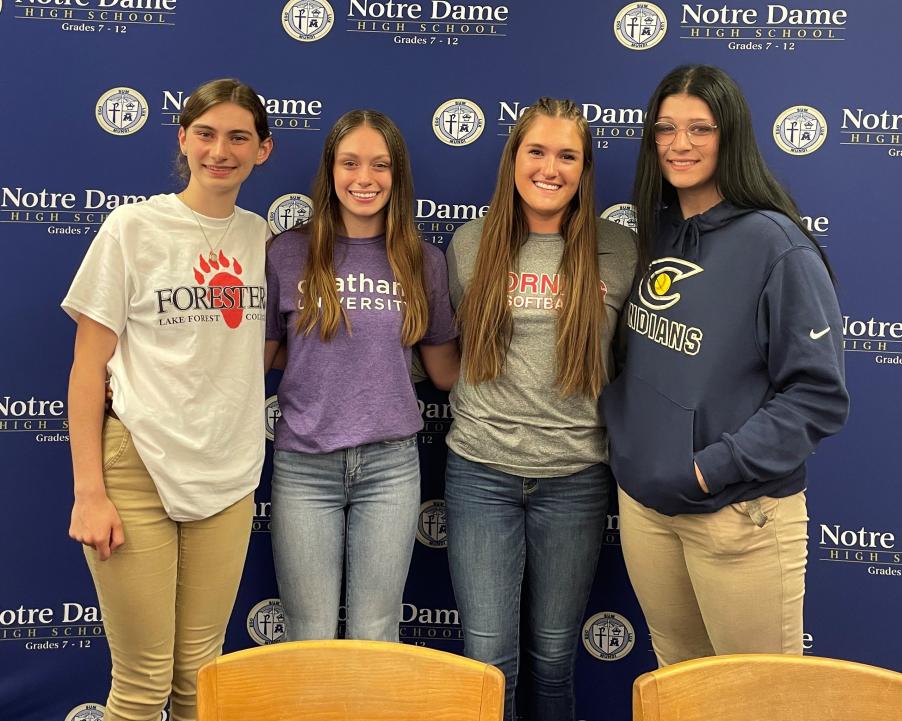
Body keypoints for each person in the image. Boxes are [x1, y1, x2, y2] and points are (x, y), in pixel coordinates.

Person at [600, 64, 850, 667]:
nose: (679, 144)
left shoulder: (777, 246)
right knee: (679, 680)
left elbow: (816, 397)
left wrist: (711, 470)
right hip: (646, 508)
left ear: (730, 135)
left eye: (699, 128)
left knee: (757, 698)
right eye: (665, 128)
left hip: (738, 516)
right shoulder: (653, 233)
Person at [62, 78, 274, 721]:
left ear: (262, 150)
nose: (220, 151)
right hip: (136, 469)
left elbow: (255, 351)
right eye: (206, 135)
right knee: (142, 684)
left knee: (199, 680)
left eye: (239, 137)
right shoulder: (133, 228)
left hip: (227, 474)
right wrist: (89, 492)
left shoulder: (262, 239)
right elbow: (86, 367)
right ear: (183, 139)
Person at [444, 97, 638, 721]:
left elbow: (636, 364)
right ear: (513, 159)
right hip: (480, 472)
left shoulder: (620, 250)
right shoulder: (470, 244)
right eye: (537, 151)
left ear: (584, 169)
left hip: (576, 477)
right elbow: (447, 354)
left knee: (554, 660)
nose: (549, 168)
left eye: (567, 155)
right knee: (487, 661)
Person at [264, 110, 459, 642]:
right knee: (310, 634)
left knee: (377, 634)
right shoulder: (287, 253)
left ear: (398, 177)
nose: (364, 178)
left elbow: (444, 372)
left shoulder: (423, 261)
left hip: (390, 468)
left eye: (380, 165)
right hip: (304, 465)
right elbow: (258, 359)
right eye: (349, 163)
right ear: (330, 171)